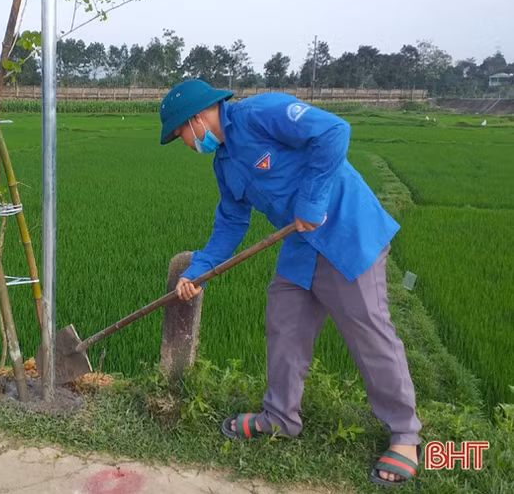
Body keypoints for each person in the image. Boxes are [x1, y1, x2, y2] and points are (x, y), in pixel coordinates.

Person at [159, 79, 422, 487]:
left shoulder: (261, 114)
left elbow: (334, 131)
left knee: (368, 332)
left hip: (347, 233)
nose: (187, 145)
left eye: (180, 137)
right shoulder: (225, 162)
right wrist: (200, 270)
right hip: (300, 246)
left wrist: (312, 201)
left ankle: (405, 434)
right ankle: (280, 417)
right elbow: (231, 221)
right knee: (284, 324)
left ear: (196, 120)